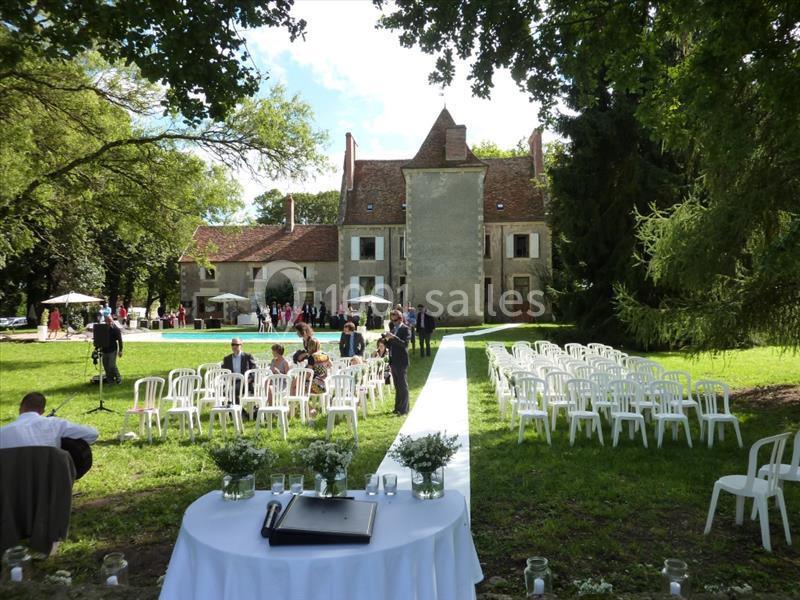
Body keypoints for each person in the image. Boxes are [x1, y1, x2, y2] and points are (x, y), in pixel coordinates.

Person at [0, 392, 99, 478]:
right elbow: (92, 434)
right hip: (49, 481)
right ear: (42, 411)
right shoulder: (55, 424)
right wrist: (64, 441)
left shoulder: (2, 431)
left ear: (20, 408)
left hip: (12, 484)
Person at [384, 309, 410, 415]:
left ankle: (404, 409)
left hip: (401, 361)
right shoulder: (393, 329)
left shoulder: (405, 329)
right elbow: (390, 345)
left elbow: (405, 344)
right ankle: (397, 408)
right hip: (393, 361)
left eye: (395, 320)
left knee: (402, 386)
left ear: (400, 319)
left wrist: (393, 337)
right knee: (397, 386)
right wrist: (386, 340)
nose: (393, 322)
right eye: (392, 320)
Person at [101, 315, 123, 384]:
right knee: (106, 366)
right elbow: (100, 338)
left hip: (112, 350)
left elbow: (120, 340)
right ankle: (110, 380)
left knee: (112, 365)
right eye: (107, 321)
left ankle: (118, 378)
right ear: (105, 321)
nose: (109, 322)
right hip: (104, 350)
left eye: (110, 321)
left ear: (112, 321)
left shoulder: (116, 329)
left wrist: (120, 350)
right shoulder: (103, 329)